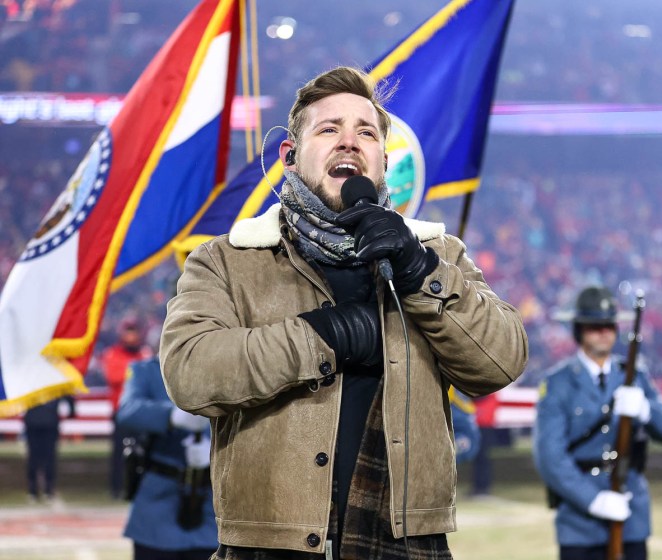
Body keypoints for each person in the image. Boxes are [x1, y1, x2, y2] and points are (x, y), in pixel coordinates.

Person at [159, 66, 528, 560]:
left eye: (366, 133)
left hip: (403, 541)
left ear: (382, 162)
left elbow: (501, 362)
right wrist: (324, 335)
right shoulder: (227, 259)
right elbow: (191, 373)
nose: (349, 142)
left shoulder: (436, 255)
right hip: (268, 543)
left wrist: (419, 271)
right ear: (290, 158)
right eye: (329, 129)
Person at [533, 286, 662, 560]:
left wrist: (646, 411)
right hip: (580, 523)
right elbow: (550, 458)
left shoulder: (634, 374)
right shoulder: (558, 383)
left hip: (630, 513)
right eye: (594, 326)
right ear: (579, 331)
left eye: (609, 326)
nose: (604, 332)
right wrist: (594, 500)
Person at [115, 356, 217, 560]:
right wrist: (170, 416)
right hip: (159, 500)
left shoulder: (227, 371)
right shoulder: (146, 370)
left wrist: (216, 453)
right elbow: (127, 410)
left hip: (212, 501)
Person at [101, 316, 152, 499]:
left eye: (134, 332)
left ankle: (138, 489)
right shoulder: (113, 353)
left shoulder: (144, 354)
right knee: (118, 453)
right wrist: (135, 373)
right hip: (121, 411)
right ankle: (116, 488)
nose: (131, 336)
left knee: (143, 450)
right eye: (128, 332)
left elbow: (149, 380)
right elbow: (114, 377)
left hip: (141, 412)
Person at [23, 395, 75, 506]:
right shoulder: (53, 382)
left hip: (34, 421)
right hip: (49, 421)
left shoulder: (29, 382)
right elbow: (69, 398)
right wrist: (71, 411)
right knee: (48, 456)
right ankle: (48, 489)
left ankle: (33, 490)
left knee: (34, 456)